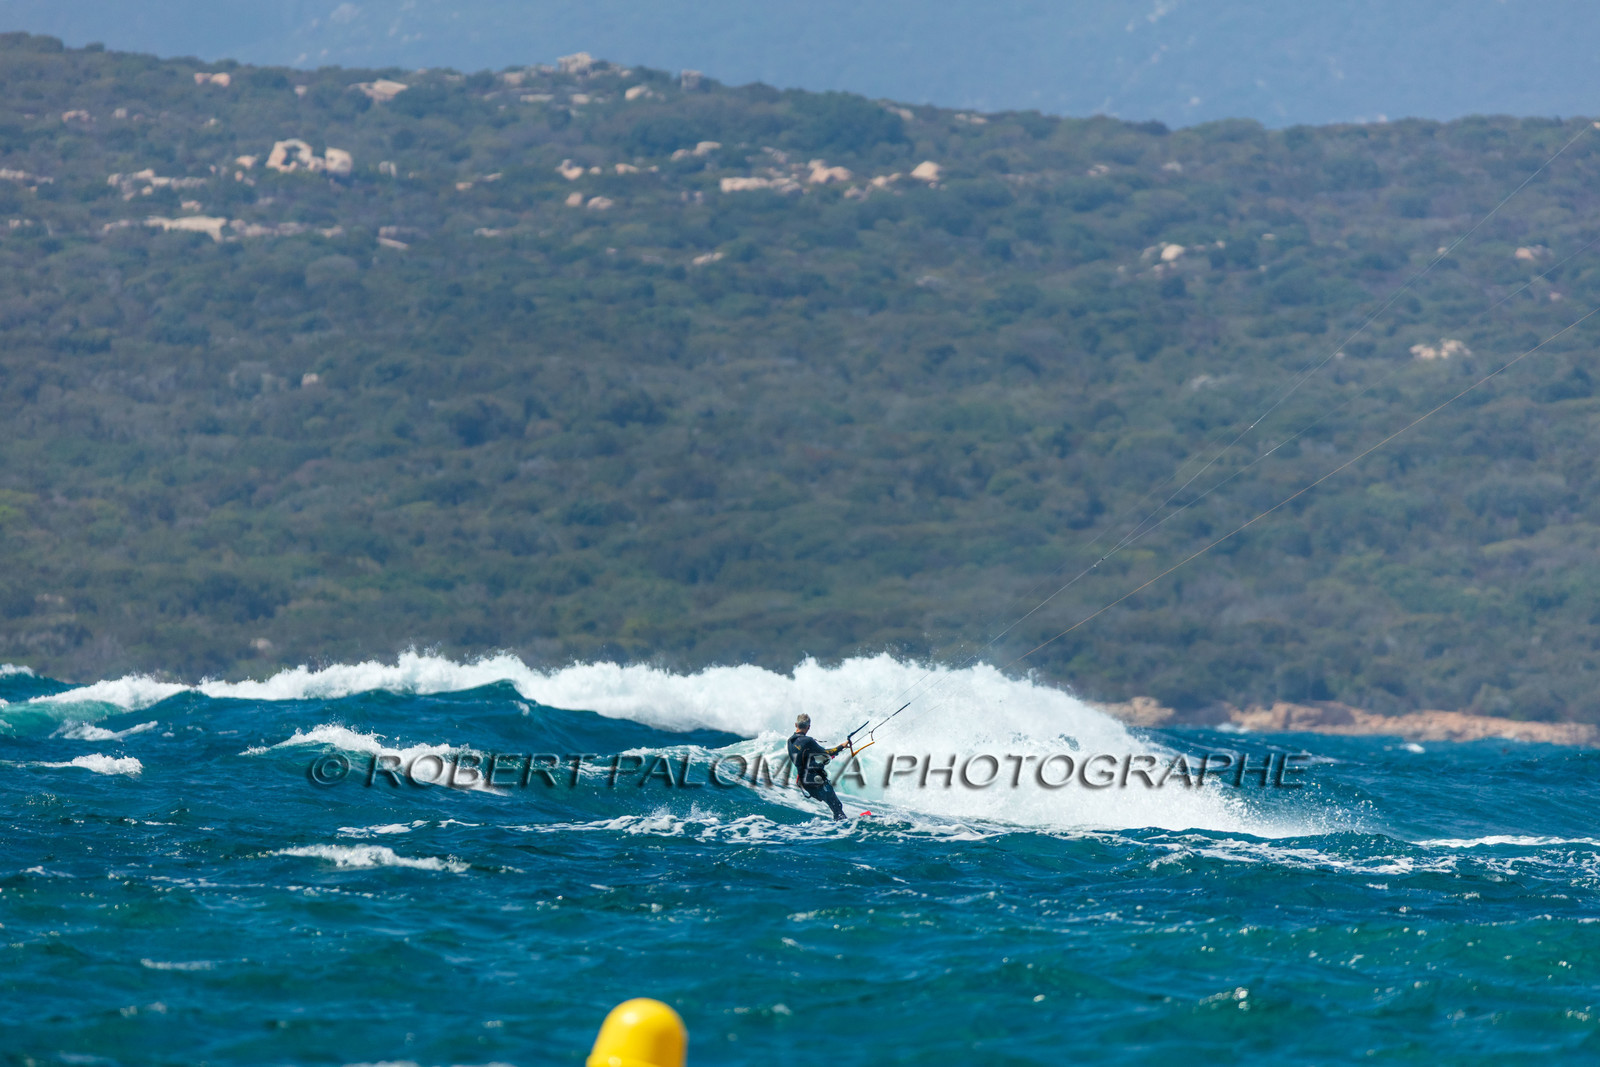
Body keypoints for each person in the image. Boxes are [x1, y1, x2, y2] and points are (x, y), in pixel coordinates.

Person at [787, 713, 847, 820]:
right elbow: (827, 752)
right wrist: (841, 746)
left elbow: (802, 760)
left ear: (796, 724)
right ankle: (844, 828)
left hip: (805, 783)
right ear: (808, 727)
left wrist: (820, 763)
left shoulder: (790, 741)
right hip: (815, 781)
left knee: (834, 806)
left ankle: (838, 825)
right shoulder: (808, 741)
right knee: (836, 806)